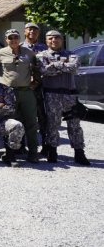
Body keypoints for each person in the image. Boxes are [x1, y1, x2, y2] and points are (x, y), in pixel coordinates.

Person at [0, 29, 41, 162]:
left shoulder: (29, 53)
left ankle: (33, 152)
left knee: (31, 123)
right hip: (8, 92)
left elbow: (37, 67)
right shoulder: (0, 53)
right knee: (9, 123)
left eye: (15, 37)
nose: (13, 40)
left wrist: (36, 82)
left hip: (26, 92)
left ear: (19, 38)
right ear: (6, 40)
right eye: (10, 38)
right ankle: (11, 153)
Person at [38, 30, 90, 165]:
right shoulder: (41, 55)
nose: (53, 40)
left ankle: (79, 152)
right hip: (51, 94)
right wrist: (63, 65)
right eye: (50, 38)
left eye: (56, 38)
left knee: (74, 125)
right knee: (53, 124)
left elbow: (73, 68)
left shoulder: (71, 54)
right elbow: (44, 70)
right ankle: (52, 151)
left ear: (62, 40)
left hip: (69, 95)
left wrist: (54, 64)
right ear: (46, 41)